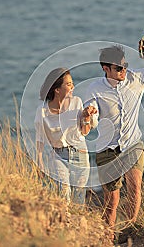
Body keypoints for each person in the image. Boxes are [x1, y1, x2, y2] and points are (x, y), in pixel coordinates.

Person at [84, 37, 144, 227]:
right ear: (106, 69)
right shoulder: (94, 88)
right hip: (107, 149)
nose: (123, 70)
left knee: (135, 188)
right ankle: (108, 235)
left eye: (124, 66)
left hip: (133, 144)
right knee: (112, 201)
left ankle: (130, 229)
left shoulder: (136, 79)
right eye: (118, 68)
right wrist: (90, 114)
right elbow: (93, 119)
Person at [34, 68, 96, 204]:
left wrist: (86, 117)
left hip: (80, 153)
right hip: (58, 156)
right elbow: (40, 139)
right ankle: (63, 221)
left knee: (79, 198)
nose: (73, 87)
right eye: (68, 84)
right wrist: (39, 162)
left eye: (72, 83)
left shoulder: (77, 102)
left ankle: (77, 225)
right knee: (64, 193)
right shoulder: (42, 111)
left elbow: (84, 132)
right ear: (57, 89)